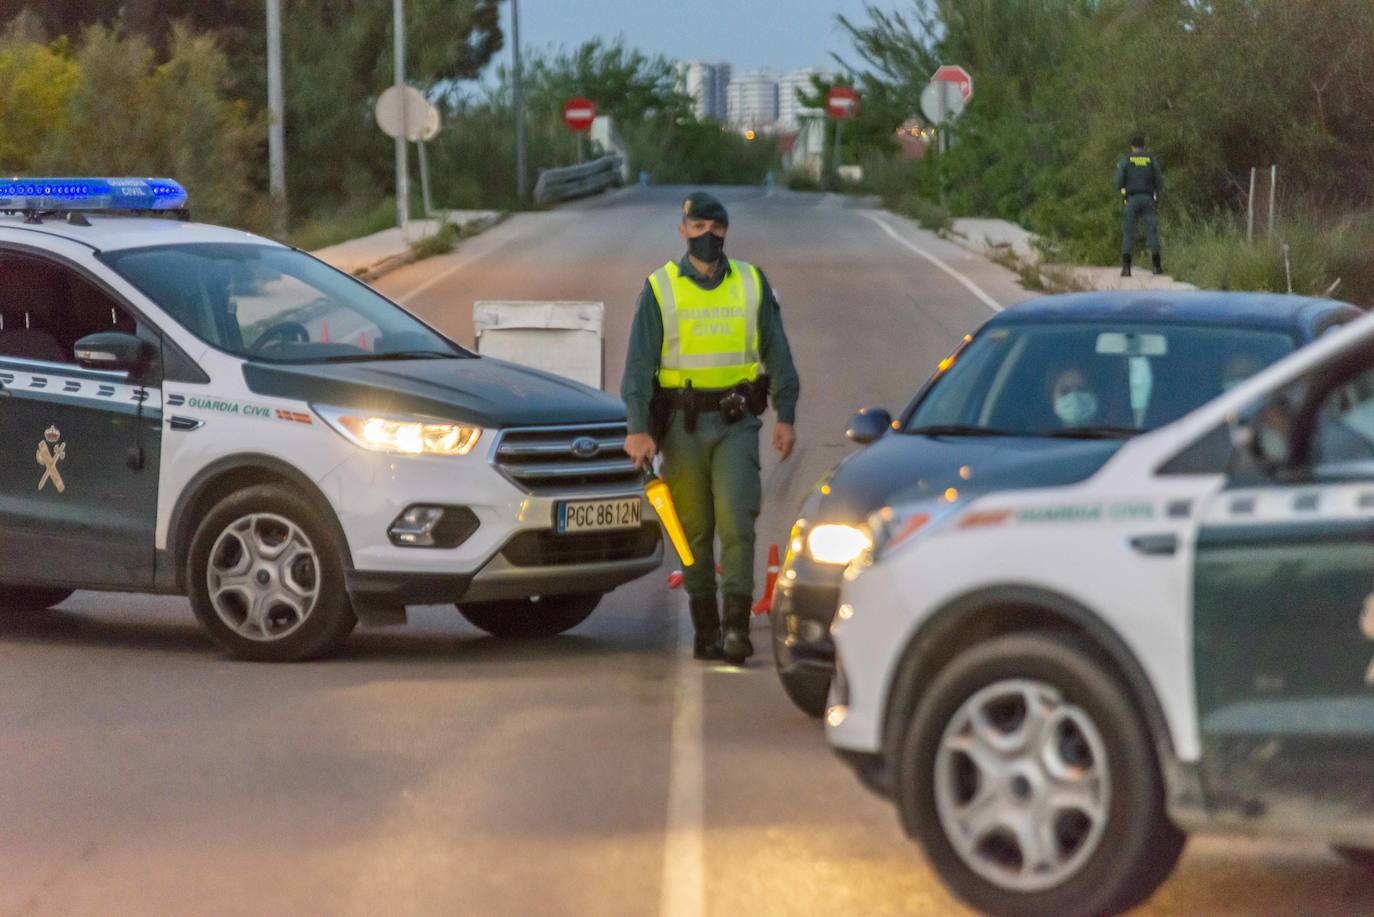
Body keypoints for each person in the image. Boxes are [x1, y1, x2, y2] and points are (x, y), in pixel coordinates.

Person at [621, 192, 800, 665]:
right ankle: (706, 629)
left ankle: (737, 629)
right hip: (680, 427)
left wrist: (787, 414)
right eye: (696, 228)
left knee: (737, 521)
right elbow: (638, 366)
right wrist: (638, 428)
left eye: (714, 228)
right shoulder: (660, 288)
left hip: (735, 424)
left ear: (725, 231)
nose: (706, 236)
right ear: (683, 231)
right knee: (693, 531)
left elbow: (777, 352)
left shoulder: (750, 282)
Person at [1116, 134, 1164, 277]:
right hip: (1148, 199)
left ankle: (1126, 268)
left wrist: (1123, 191)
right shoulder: (1151, 160)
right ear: (1144, 146)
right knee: (1152, 232)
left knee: (1129, 233)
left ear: (1132, 146)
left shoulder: (1126, 160)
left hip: (1132, 199)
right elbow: (1159, 182)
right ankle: (1156, 267)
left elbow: (1119, 182)